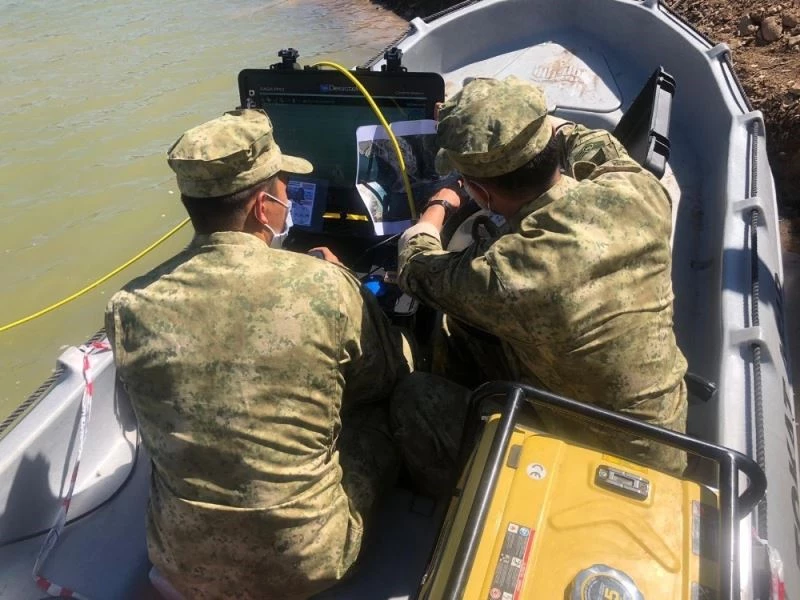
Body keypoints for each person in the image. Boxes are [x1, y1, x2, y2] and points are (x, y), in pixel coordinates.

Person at [105, 109, 409, 599]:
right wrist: (341, 283)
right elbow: (382, 381)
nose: (287, 197)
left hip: (181, 564)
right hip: (308, 564)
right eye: (284, 185)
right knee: (382, 413)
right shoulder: (325, 287)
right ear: (260, 206)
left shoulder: (129, 305)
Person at [393, 76, 688, 480]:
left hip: (592, 467)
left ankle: (445, 497)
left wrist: (438, 207)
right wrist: (527, 125)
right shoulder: (639, 191)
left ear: (482, 195)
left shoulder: (503, 277)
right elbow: (589, 141)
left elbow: (414, 267)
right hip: (667, 447)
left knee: (414, 395)